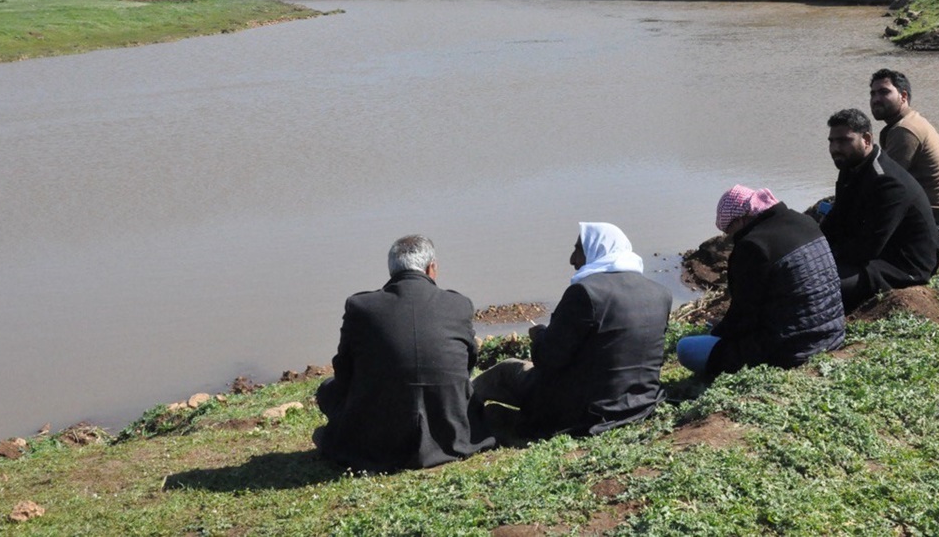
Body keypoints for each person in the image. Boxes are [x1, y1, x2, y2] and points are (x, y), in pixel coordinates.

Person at [471, 222, 672, 439]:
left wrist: (538, 335)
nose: (572, 260)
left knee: (506, 372)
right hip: (642, 403)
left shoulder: (586, 293)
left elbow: (548, 360)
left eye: (578, 250)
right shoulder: (660, 293)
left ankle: (452, 416)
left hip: (589, 411)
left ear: (597, 249)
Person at [313, 235, 494, 472]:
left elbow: (344, 373)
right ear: (432, 268)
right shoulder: (458, 304)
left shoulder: (361, 307)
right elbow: (468, 365)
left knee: (326, 391)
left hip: (377, 442)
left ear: (392, 271)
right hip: (451, 435)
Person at [676, 186, 845, 376]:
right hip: (833, 334)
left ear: (740, 220)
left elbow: (744, 316)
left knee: (686, 348)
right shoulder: (805, 221)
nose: (730, 238)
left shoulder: (753, 246)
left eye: (729, 231)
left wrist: (719, 331)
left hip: (792, 349)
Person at [821, 108, 939, 313]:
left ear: (866, 139)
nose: (835, 148)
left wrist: (830, 258)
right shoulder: (851, 169)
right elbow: (836, 222)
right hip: (875, 257)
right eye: (831, 141)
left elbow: (868, 247)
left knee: (820, 288)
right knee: (805, 272)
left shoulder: (887, 182)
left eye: (843, 141)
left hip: (904, 266)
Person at [869, 69, 939, 247]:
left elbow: (885, 186)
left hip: (934, 227)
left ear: (903, 96)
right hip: (933, 220)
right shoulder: (905, 123)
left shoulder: (905, 130)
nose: (876, 99)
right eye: (873, 93)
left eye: (884, 92)